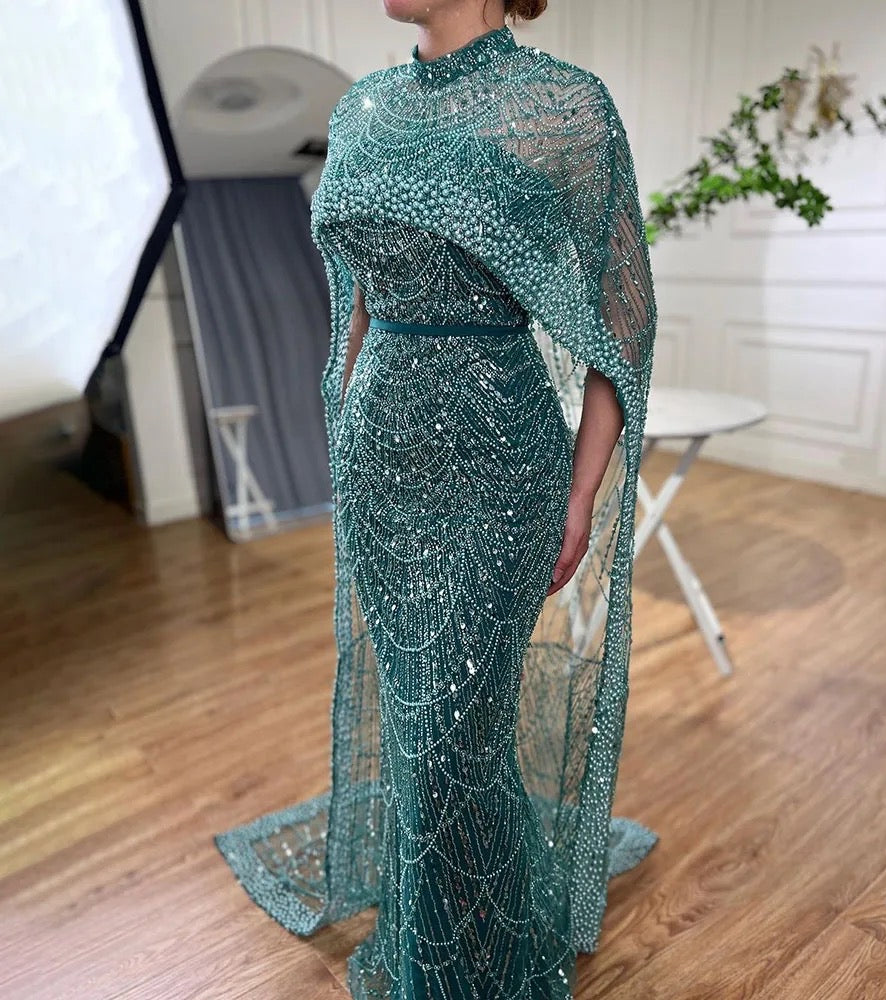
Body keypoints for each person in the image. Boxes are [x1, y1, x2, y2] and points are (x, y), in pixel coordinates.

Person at [214, 1, 659, 996]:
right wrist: (349, 428)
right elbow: (356, 301)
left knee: (457, 732)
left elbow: (622, 325)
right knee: (423, 730)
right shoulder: (364, 108)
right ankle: (444, 941)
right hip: (382, 460)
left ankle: (472, 961)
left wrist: (581, 493)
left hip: (501, 461)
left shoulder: (565, 109)